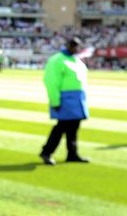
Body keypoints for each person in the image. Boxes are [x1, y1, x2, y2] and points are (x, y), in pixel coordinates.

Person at [39, 36, 90, 165]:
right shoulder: (57, 60)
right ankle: (46, 152)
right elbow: (51, 82)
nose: (75, 48)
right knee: (61, 127)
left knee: (73, 128)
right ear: (67, 45)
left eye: (77, 46)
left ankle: (72, 154)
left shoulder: (76, 60)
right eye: (73, 45)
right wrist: (55, 101)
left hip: (77, 99)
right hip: (65, 99)